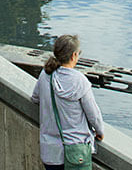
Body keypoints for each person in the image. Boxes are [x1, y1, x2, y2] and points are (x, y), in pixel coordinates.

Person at [31, 35, 105, 170]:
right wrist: (99, 131)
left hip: (50, 152)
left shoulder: (46, 75)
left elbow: (35, 98)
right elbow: (93, 115)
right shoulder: (80, 80)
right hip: (76, 151)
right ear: (73, 56)